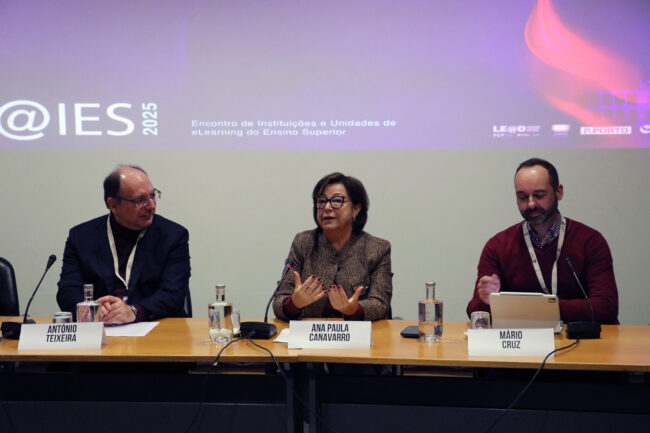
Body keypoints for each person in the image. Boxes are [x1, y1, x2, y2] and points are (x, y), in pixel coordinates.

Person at [467, 158, 618, 324]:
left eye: (539, 195)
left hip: (577, 336)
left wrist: (542, 309)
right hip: (522, 338)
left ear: (558, 192)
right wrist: (485, 300)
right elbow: (475, 312)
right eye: (523, 197)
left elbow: (606, 308)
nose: (531, 204)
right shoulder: (497, 246)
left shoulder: (590, 242)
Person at [57, 165, 191, 324]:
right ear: (113, 205)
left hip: (157, 329)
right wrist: (93, 310)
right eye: (140, 200)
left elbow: (173, 293)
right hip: (100, 329)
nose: (151, 205)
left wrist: (135, 311)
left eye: (152, 195)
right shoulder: (81, 237)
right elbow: (67, 291)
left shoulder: (173, 236)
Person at [273, 172, 392, 321]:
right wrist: (294, 304)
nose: (327, 207)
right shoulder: (303, 242)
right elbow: (279, 301)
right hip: (311, 333)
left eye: (337, 200)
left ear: (356, 208)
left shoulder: (377, 248)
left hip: (356, 333)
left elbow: (380, 303)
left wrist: (353, 310)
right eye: (321, 201)